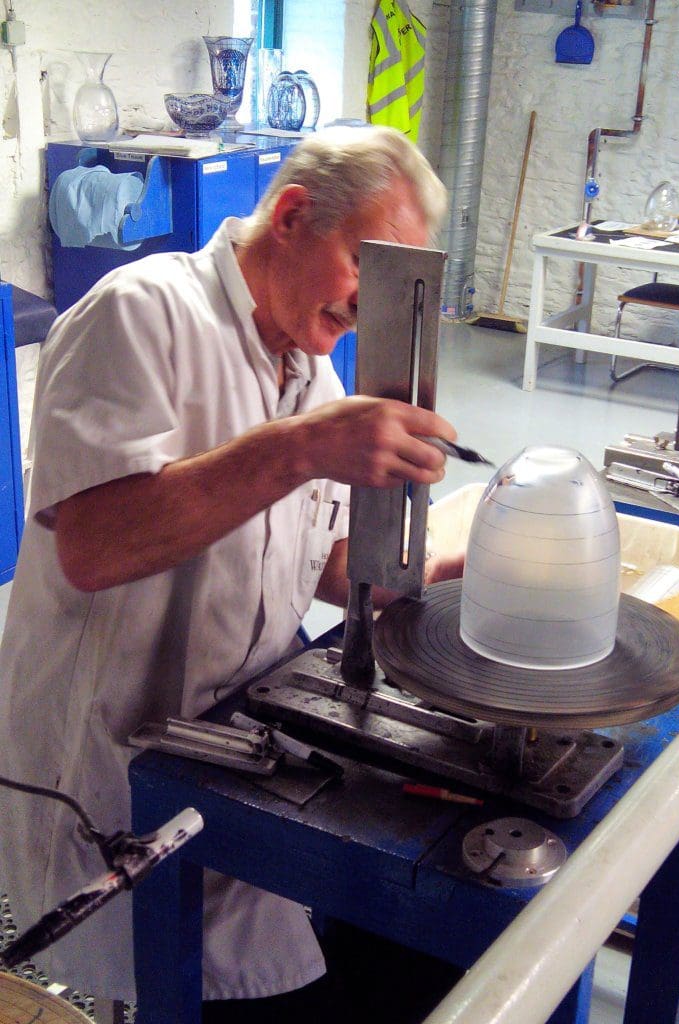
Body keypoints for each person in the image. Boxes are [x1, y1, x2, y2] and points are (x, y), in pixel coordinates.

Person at [0, 126, 464, 1009]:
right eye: (367, 270)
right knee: (169, 983)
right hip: (111, 766)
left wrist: (449, 573)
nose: (369, 310)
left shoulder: (308, 371)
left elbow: (327, 564)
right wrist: (301, 450)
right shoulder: (140, 313)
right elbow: (95, 547)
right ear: (292, 216)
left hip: (235, 746)